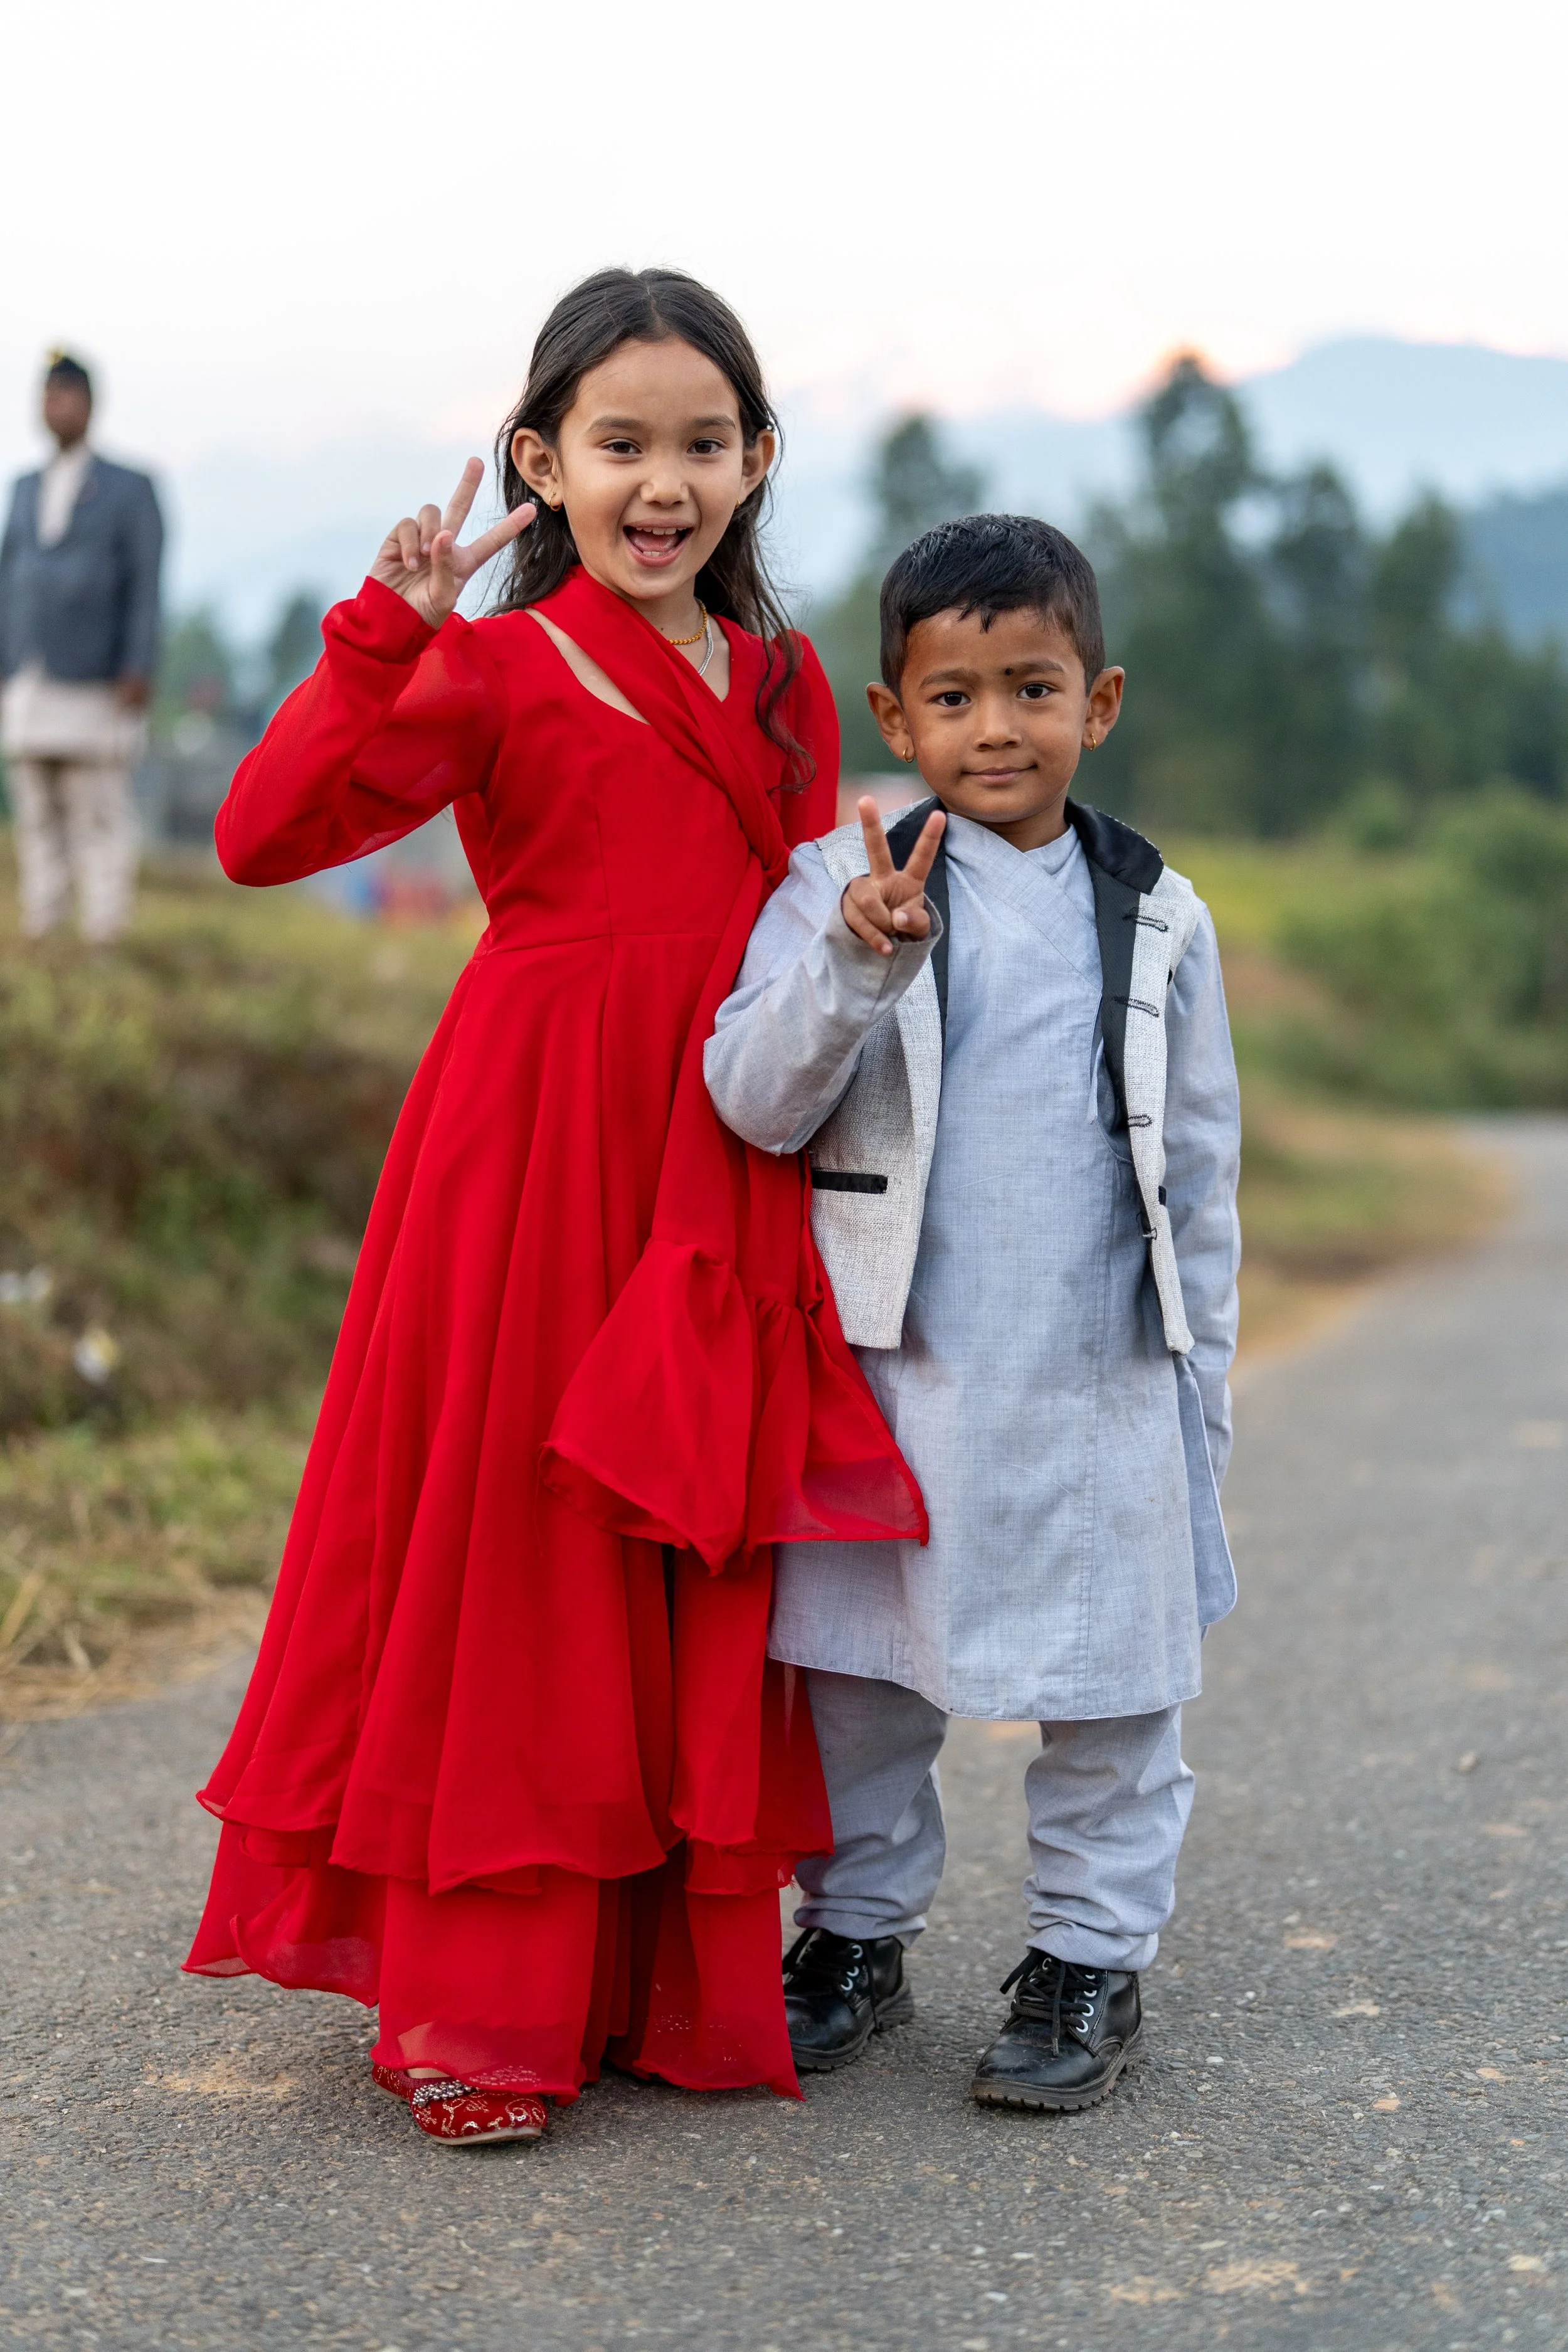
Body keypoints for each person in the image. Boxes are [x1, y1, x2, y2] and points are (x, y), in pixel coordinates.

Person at [182, 270, 924, 2148]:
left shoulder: (775, 681)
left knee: (677, 1538)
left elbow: (786, 915)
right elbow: (261, 837)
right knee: (518, 1542)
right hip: (524, 1147)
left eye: (700, 445)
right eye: (619, 446)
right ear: (542, 461)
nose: (659, 483)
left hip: (713, 1136)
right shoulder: (490, 666)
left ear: (755, 462)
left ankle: (647, 1987)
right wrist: (379, 630)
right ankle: (481, 2006)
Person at [705, 512, 1241, 2112]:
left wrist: (1200, 1384)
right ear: (894, 714)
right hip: (896, 1373)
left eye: (1033, 687)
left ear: (1104, 700)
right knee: (863, 1682)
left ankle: (1089, 1955)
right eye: (954, 696)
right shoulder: (838, 879)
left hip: (1097, 1372)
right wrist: (853, 969)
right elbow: (750, 1095)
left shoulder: (1156, 909)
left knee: (1110, 1688)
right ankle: (856, 1932)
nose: (994, 728)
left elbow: (1198, 1167)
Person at [0, 352, 163, 941]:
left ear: (89, 405)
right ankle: (42, 921)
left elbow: (145, 583)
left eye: (65, 394)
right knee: (37, 809)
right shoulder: (23, 487)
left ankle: (103, 929)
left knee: (96, 808)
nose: (54, 406)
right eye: (46, 395)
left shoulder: (130, 487)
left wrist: (137, 665)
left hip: (97, 677)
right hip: (30, 673)